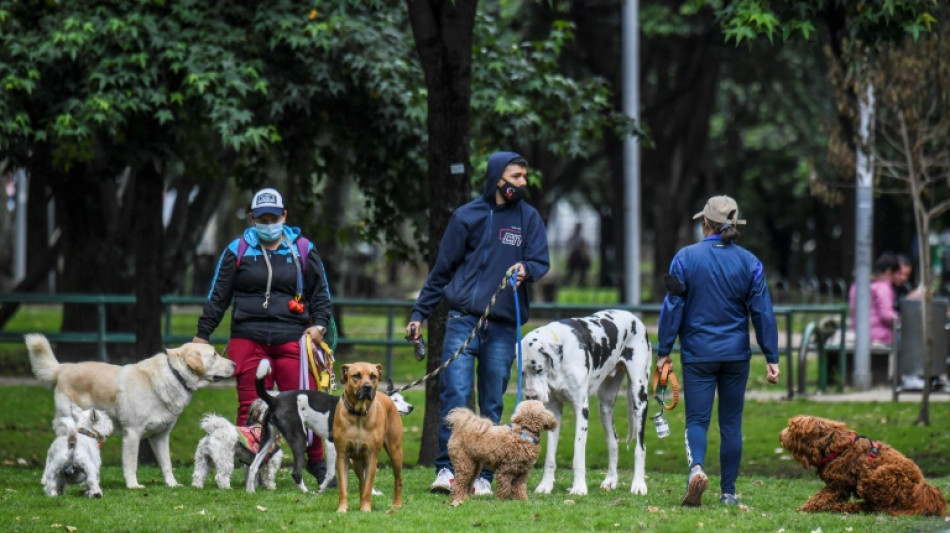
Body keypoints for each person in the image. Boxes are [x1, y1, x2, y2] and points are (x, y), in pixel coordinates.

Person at [405, 151, 550, 496]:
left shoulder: (528, 218)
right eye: (515, 177)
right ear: (497, 177)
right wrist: (418, 314)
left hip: (503, 325)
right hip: (462, 320)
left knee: (493, 400)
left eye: (524, 177)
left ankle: (485, 475)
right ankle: (447, 470)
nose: (522, 183)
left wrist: (526, 269)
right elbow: (441, 271)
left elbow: (541, 260)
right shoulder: (466, 216)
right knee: (454, 394)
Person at [192, 187, 334, 483]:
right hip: (248, 338)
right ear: (252, 218)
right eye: (261, 217)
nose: (268, 222)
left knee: (305, 404)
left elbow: (320, 294)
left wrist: (319, 324)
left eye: (273, 216)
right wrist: (202, 334)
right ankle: (249, 466)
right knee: (250, 405)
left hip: (293, 338)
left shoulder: (304, 250)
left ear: (284, 215)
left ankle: (317, 463)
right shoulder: (238, 249)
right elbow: (218, 296)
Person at [657, 194, 780, 507]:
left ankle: (697, 469)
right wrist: (771, 356)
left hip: (698, 354)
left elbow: (673, 307)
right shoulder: (750, 262)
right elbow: (762, 312)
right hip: (736, 355)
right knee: (730, 424)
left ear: (705, 224)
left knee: (697, 421)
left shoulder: (684, 258)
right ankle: (728, 493)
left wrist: (663, 350)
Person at [847, 252, 900, 346]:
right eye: (897, 274)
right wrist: (900, 319)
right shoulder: (882, 287)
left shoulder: (856, 285)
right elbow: (886, 315)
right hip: (879, 337)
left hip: (857, 334)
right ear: (888, 272)